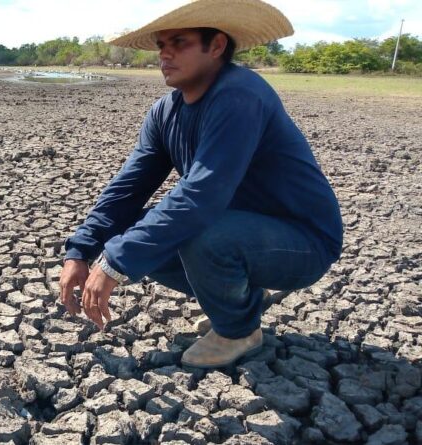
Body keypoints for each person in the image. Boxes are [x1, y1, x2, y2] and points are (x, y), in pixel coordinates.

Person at [58, 0, 343, 368]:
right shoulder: (165, 112)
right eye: (162, 45)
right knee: (133, 228)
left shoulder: (240, 94)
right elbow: (126, 189)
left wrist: (114, 262)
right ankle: (240, 299)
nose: (166, 54)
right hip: (243, 230)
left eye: (180, 42)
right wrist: (81, 251)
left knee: (197, 233)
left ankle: (239, 330)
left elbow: (200, 196)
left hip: (303, 241)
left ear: (217, 46)